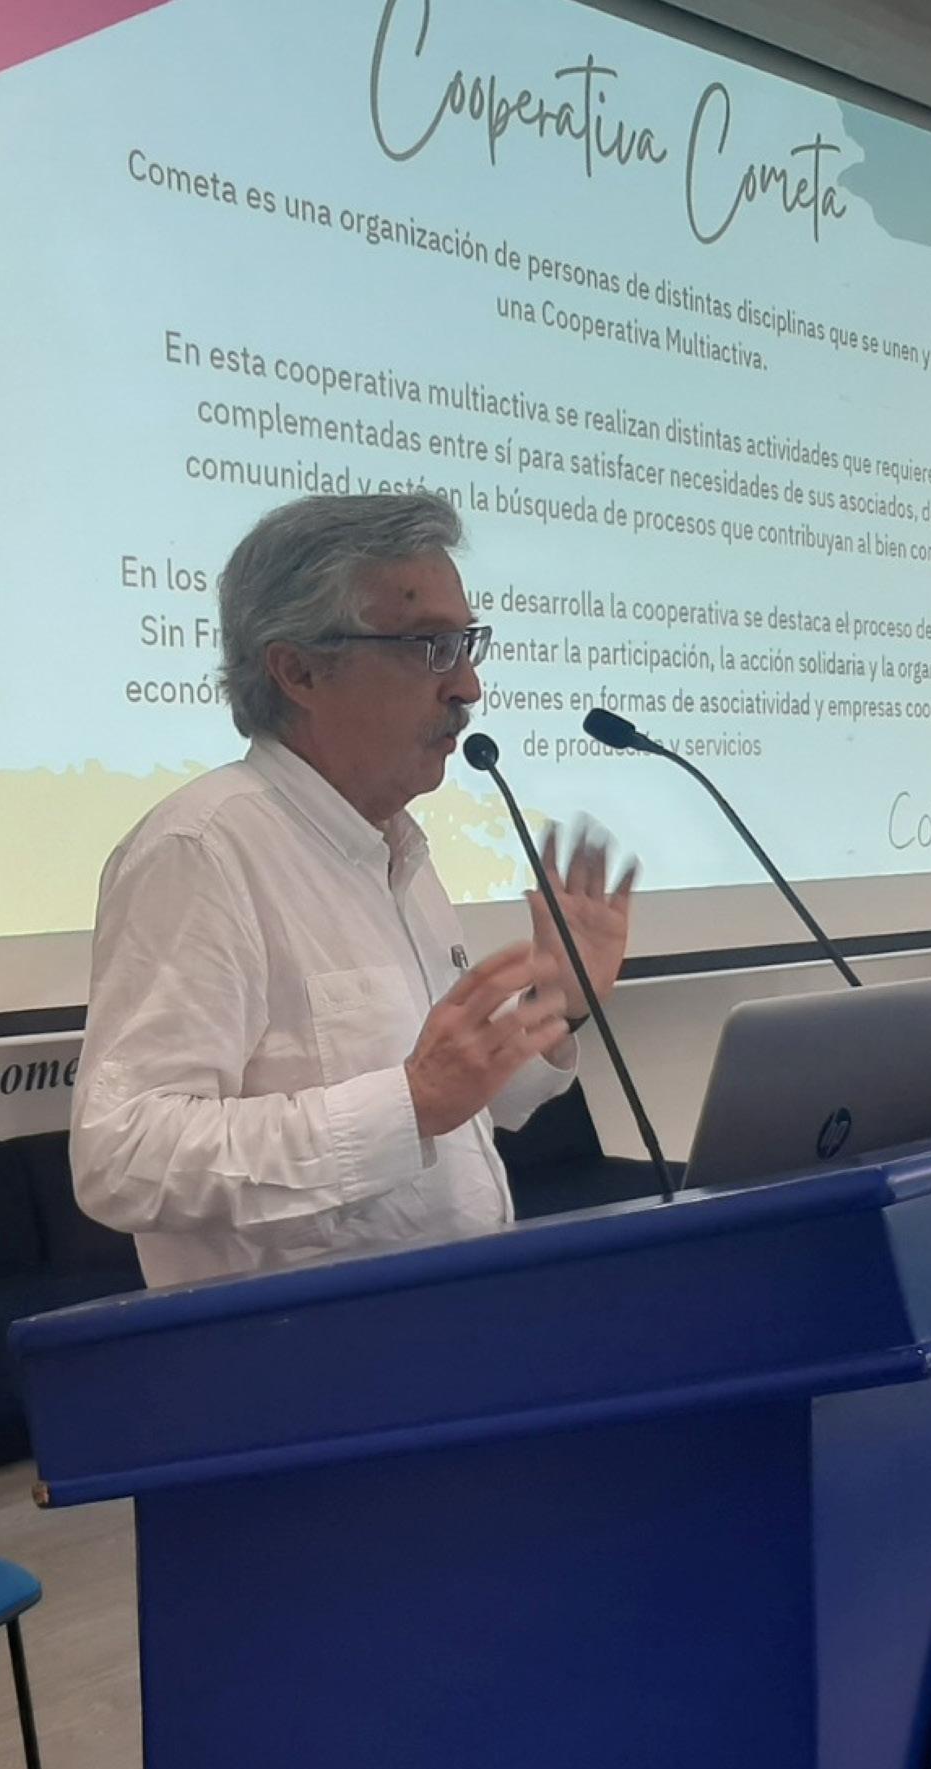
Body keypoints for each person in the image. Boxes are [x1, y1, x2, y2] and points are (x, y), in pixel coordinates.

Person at [71, 490, 636, 1288]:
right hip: (299, 1347)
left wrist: (554, 1004)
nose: (468, 685)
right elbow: (124, 1158)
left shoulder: (398, 850)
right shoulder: (201, 851)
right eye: (429, 646)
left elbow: (472, 1106)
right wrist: (406, 1105)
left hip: (460, 1311)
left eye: (466, 643)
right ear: (298, 669)